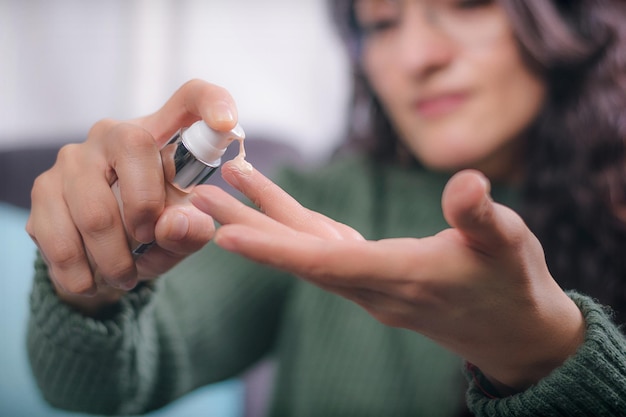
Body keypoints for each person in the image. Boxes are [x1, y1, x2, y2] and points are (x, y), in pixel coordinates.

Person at [26, 0, 626, 416]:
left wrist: (549, 358)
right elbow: (101, 386)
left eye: (468, 4)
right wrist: (91, 281)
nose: (417, 56)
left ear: (562, 18)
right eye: (383, 23)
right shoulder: (312, 204)